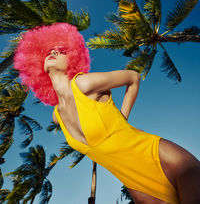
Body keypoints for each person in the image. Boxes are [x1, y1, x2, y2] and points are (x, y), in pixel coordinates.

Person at [14, 22, 200, 204]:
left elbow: (133, 77)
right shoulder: (57, 116)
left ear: (73, 61)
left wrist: (122, 119)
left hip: (164, 159)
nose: (53, 52)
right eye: (49, 51)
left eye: (62, 51)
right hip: (138, 187)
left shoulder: (83, 84)